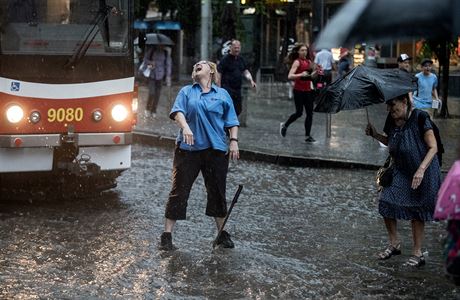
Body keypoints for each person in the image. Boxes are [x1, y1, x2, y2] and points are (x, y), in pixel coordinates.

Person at [158, 60, 240, 251]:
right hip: (188, 151)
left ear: (211, 70)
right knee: (179, 191)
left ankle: (221, 234)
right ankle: (167, 235)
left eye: (201, 64)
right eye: (194, 64)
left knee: (217, 191)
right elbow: (178, 112)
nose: (196, 65)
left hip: (216, 150)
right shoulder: (187, 91)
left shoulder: (222, 94)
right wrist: (185, 126)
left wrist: (234, 141)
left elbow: (232, 120)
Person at [365, 93, 441, 267]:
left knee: (417, 210)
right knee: (386, 201)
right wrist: (375, 134)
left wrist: (421, 170)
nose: (390, 109)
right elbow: (391, 142)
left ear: (404, 101)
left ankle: (418, 253)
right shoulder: (391, 119)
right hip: (402, 170)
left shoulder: (420, 117)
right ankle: (394, 244)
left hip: (425, 170)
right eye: (388, 106)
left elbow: (433, 147)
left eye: (393, 105)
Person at [279, 43, 317, 143]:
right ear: (298, 52)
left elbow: (310, 77)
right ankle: (285, 125)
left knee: (310, 114)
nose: (304, 52)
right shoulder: (297, 62)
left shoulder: (309, 62)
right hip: (298, 91)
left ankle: (307, 136)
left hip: (308, 91)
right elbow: (290, 76)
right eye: (302, 50)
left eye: (305, 50)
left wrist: (317, 72)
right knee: (299, 113)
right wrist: (301, 74)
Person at [217, 40, 257, 116]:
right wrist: (219, 88)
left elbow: (245, 71)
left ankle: (231, 124)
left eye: (238, 48)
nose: (237, 50)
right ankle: (228, 125)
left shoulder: (241, 59)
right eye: (235, 48)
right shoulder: (225, 59)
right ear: (231, 47)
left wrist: (251, 81)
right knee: (228, 108)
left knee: (238, 109)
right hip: (227, 88)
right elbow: (219, 73)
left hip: (237, 89)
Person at [142, 45, 172, 118]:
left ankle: (153, 110)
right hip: (152, 74)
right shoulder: (152, 51)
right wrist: (151, 62)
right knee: (152, 93)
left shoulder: (165, 53)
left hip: (160, 76)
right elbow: (145, 60)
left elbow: (168, 64)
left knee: (157, 95)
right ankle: (147, 109)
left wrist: (168, 76)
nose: (161, 46)